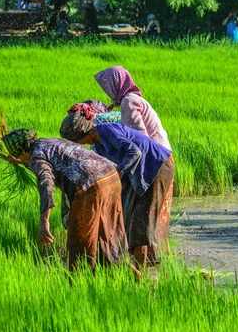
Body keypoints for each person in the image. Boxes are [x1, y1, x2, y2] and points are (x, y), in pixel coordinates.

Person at [1, 128, 131, 273]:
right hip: (111, 177)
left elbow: (46, 185)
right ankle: (134, 275)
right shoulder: (46, 141)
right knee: (108, 235)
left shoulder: (37, 156)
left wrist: (44, 221)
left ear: (21, 150)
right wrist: (21, 161)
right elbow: (44, 161)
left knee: (80, 242)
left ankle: (77, 283)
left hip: (90, 185)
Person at [59, 115, 175, 270]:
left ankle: (141, 272)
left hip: (156, 167)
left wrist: (119, 172)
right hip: (138, 172)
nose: (78, 145)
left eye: (76, 141)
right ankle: (138, 263)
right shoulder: (99, 145)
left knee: (141, 219)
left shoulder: (107, 131)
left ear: (82, 135)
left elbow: (135, 152)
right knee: (127, 216)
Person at [94, 66, 171, 150]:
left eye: (108, 87)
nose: (108, 92)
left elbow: (139, 136)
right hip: (159, 147)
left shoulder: (128, 101)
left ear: (115, 84)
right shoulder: (131, 98)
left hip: (155, 151)